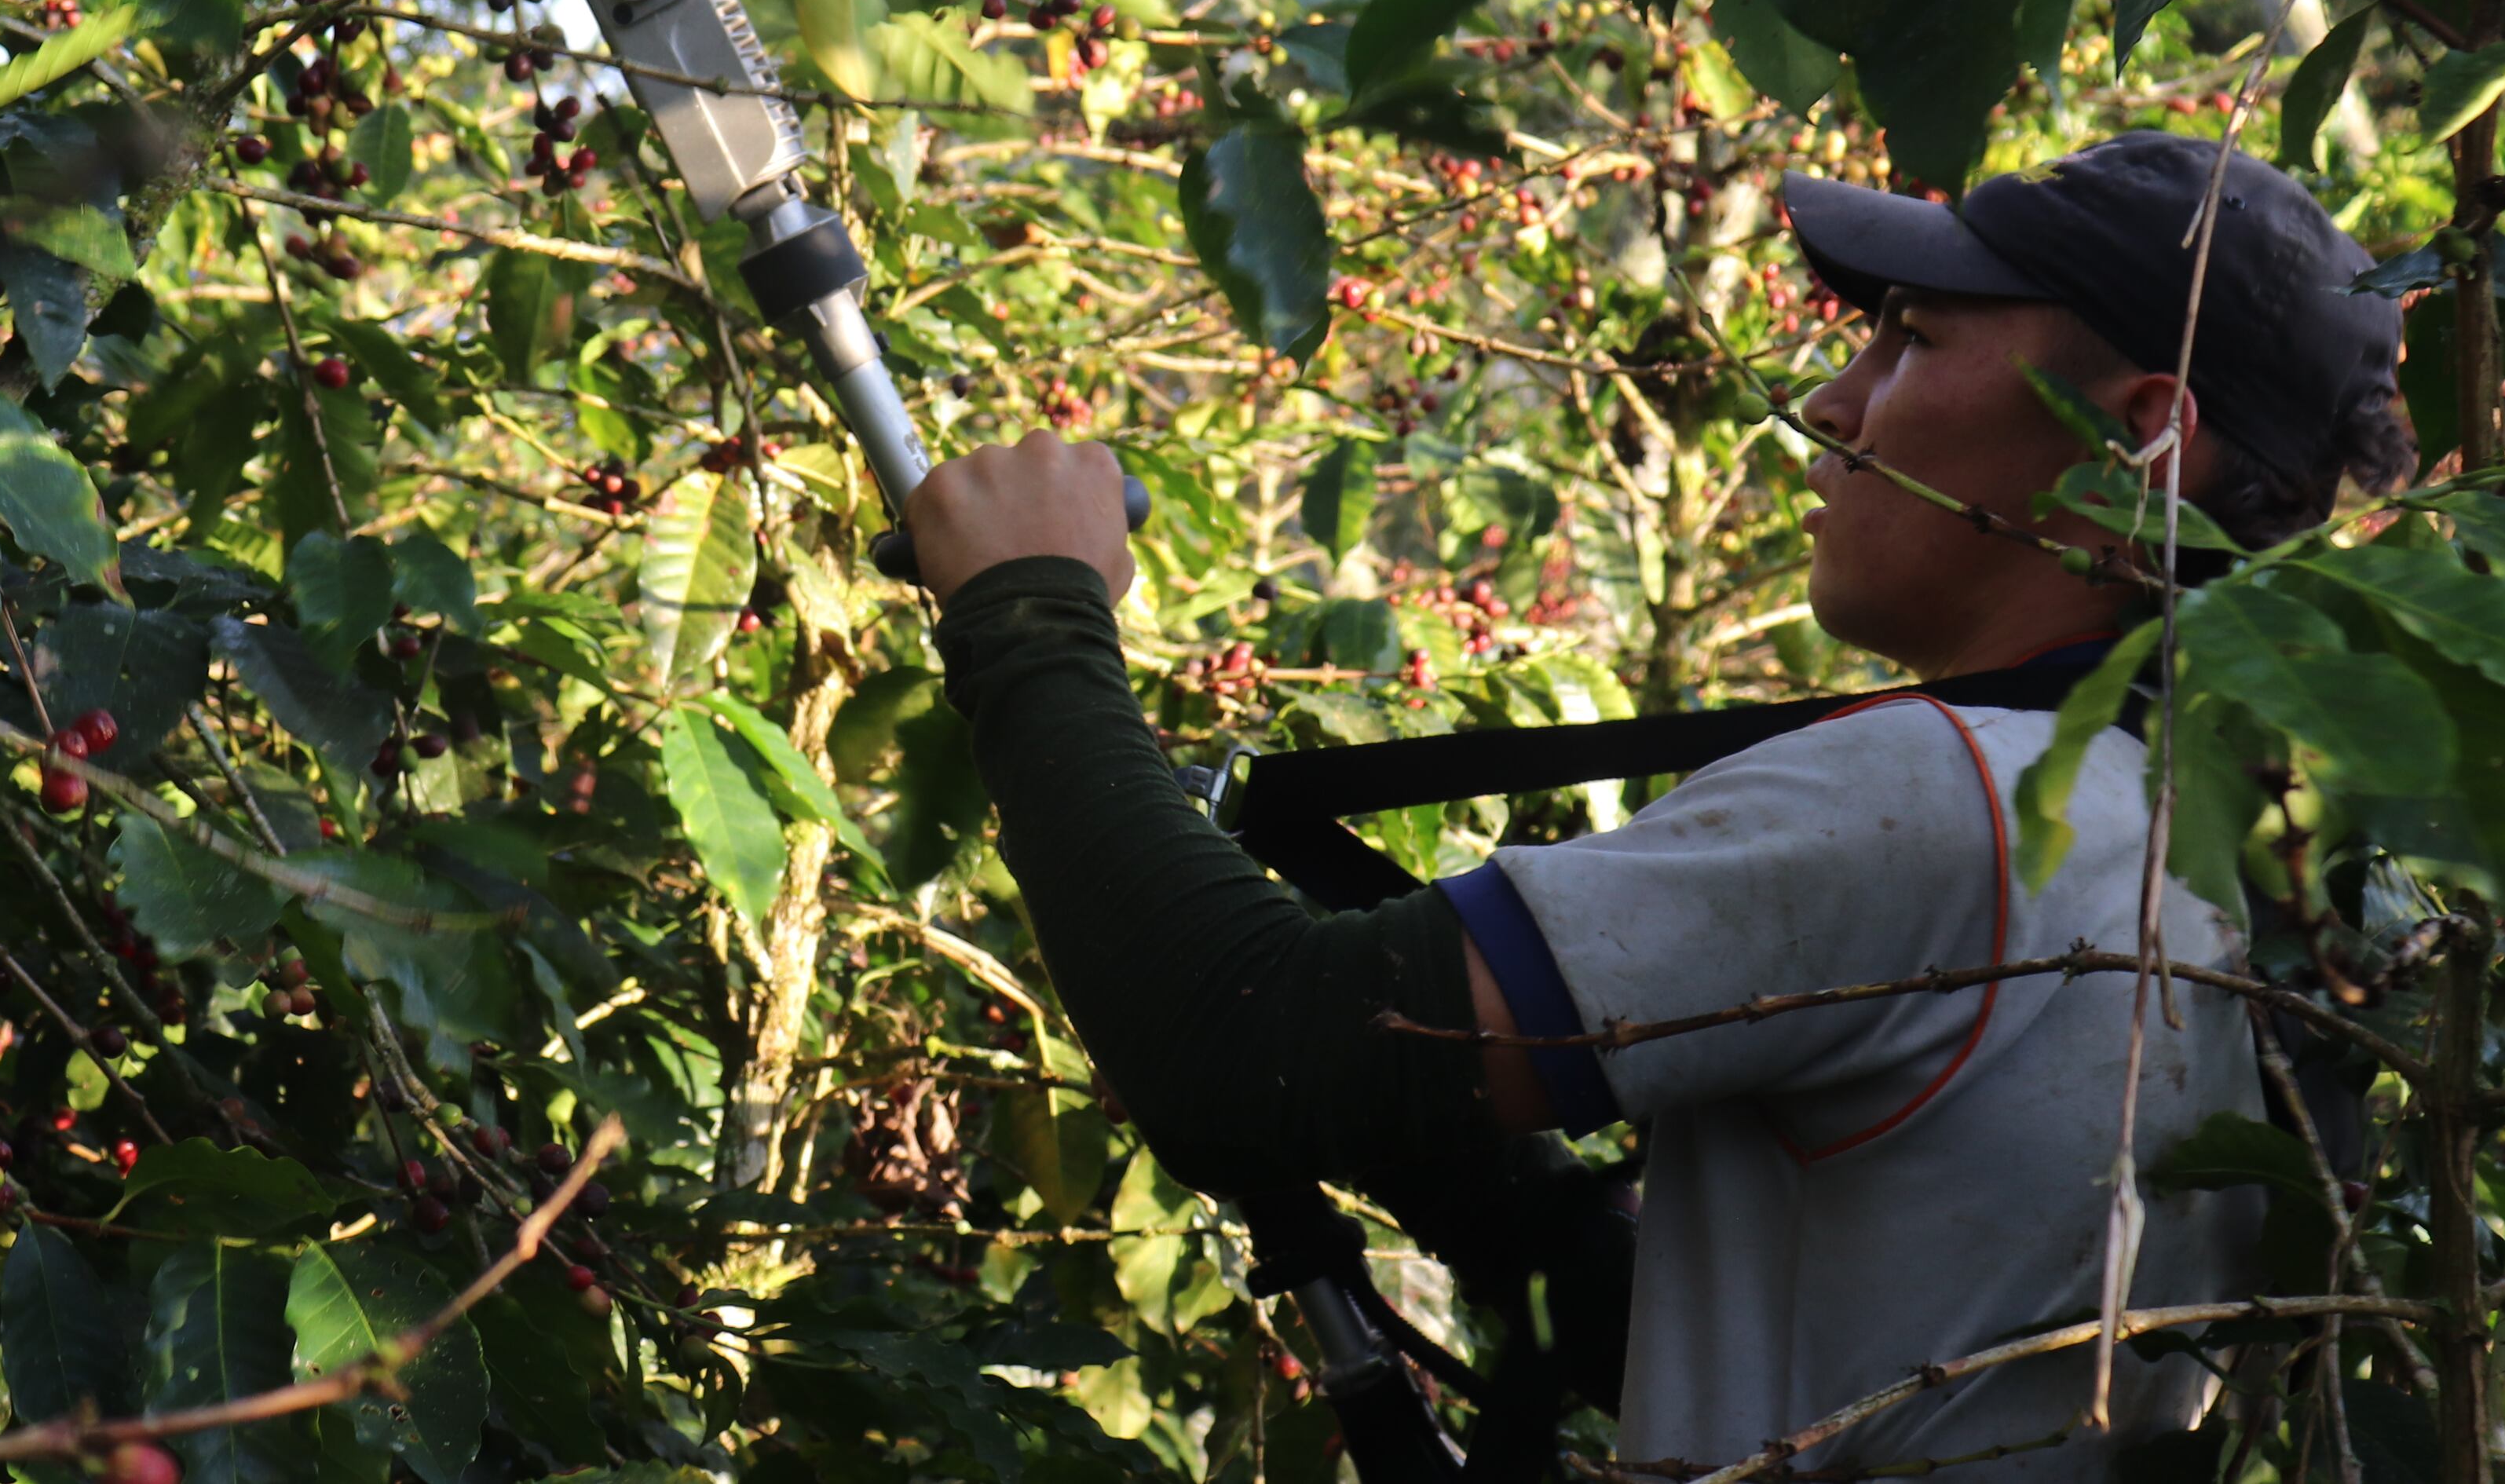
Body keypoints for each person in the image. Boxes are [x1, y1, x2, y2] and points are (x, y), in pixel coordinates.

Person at [899, 132, 2418, 1482]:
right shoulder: (2307, 863)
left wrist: (1031, 614)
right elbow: (1897, 1364)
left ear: (2141, 431)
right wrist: (1517, 1208)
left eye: (1910, 340)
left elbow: (1238, 1041)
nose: (1834, 403)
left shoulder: (1955, 795)